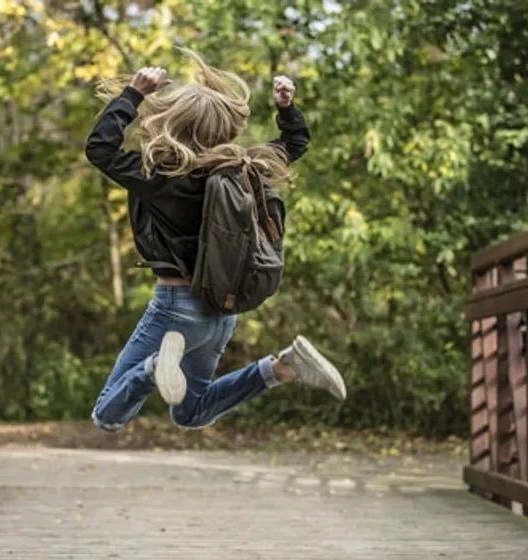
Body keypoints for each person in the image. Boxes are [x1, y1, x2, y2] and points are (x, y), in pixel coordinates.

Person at [84, 49, 346, 433]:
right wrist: (286, 110)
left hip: (175, 310)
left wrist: (133, 93)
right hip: (221, 313)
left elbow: (100, 149)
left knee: (107, 415)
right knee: (191, 413)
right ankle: (282, 367)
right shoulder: (245, 170)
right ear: (223, 127)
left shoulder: (159, 175)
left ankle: (155, 367)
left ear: (174, 121)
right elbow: (295, 145)